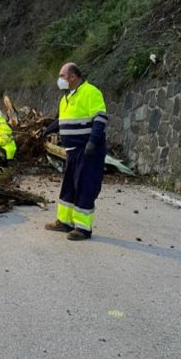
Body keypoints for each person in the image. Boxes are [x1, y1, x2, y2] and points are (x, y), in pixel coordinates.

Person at [43, 62, 107, 241]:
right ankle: (64, 222)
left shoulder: (91, 92)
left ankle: (83, 228)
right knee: (69, 186)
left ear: (73, 77)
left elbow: (100, 118)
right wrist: (48, 129)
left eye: (62, 76)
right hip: (71, 151)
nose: (59, 80)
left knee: (85, 187)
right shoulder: (66, 98)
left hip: (87, 150)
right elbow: (62, 120)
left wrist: (93, 142)